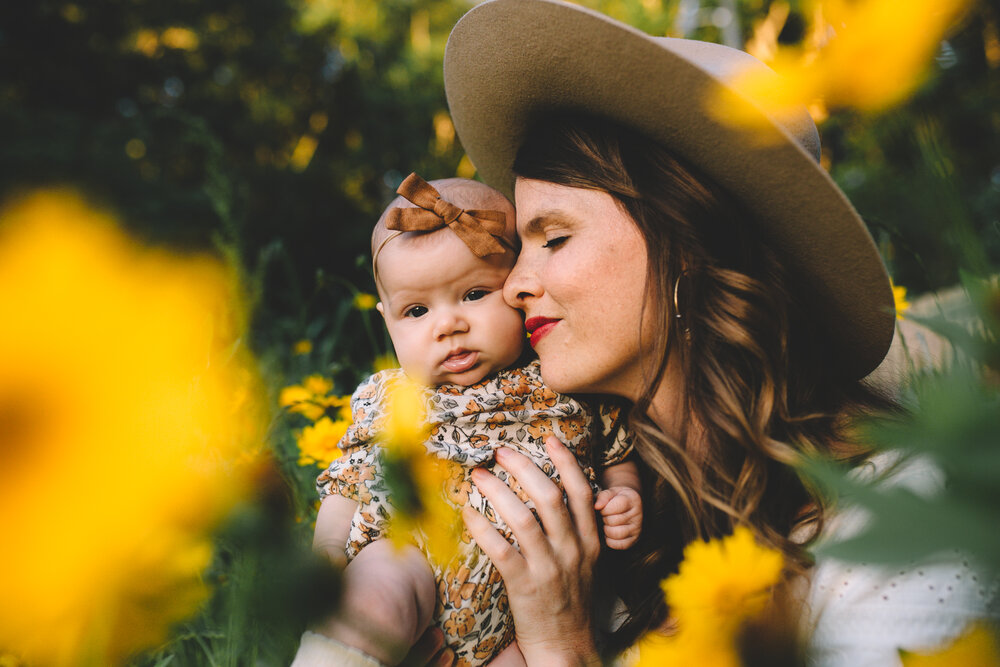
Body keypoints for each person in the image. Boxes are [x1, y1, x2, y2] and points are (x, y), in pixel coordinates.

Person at [295, 1, 998, 665]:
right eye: (518, 248)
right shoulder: (600, 502)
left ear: (687, 249)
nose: (513, 285)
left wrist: (561, 643)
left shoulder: (899, 524)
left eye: (555, 238)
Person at [296, 173, 643, 667]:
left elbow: (615, 451)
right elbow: (348, 482)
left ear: (516, 286)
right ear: (386, 320)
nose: (448, 325)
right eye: (416, 310)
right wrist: (329, 549)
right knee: (374, 600)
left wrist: (622, 494)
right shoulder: (393, 399)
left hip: (529, 613)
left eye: (474, 294)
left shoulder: (563, 382)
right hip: (411, 553)